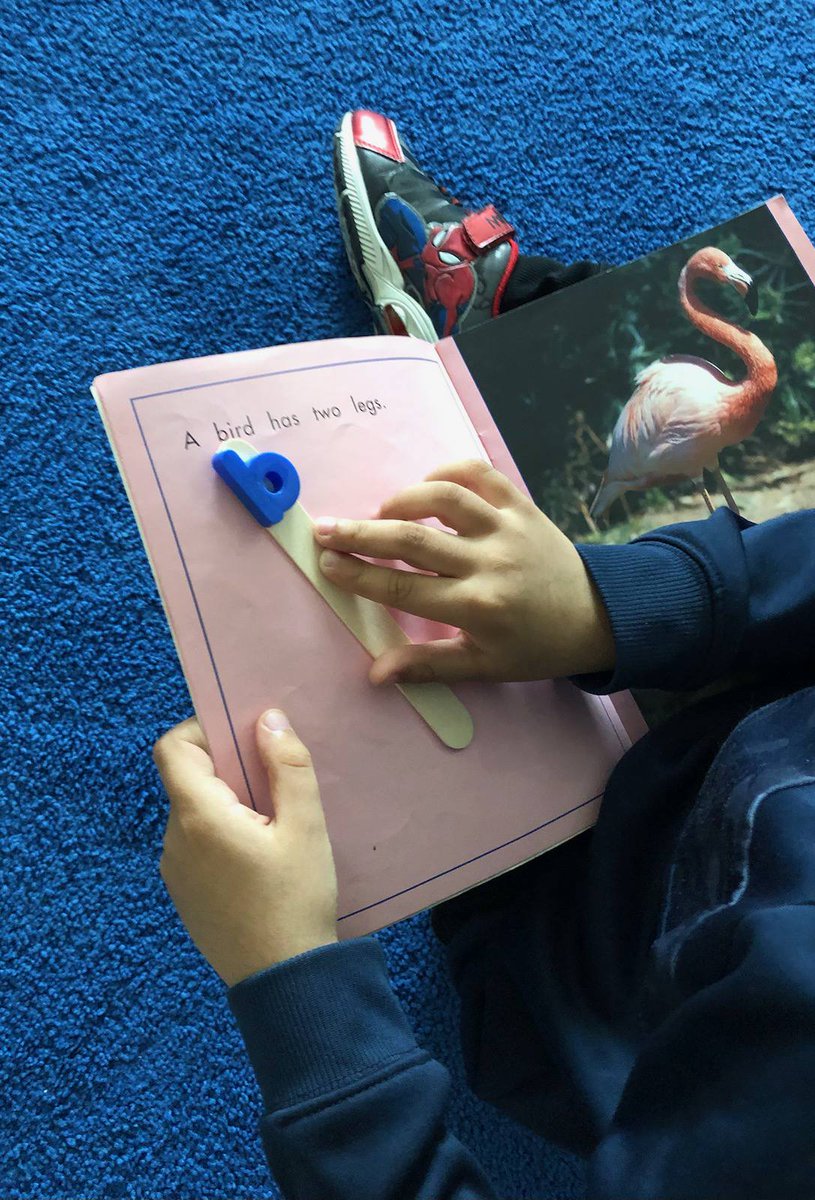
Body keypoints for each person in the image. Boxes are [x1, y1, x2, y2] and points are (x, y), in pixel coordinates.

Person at [153, 111, 815, 1198]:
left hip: (594, 913)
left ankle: (492, 360)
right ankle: (506, 332)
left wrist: (293, 986)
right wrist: (616, 603)